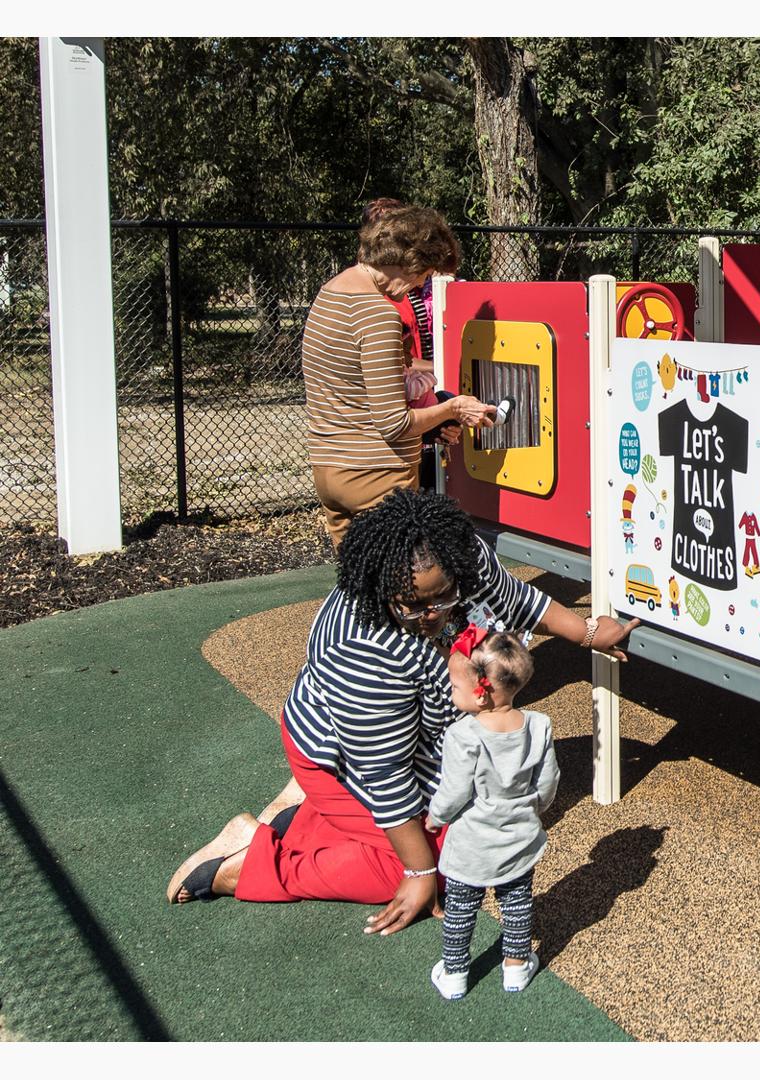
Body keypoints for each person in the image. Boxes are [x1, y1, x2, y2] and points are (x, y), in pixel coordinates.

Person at [164, 489, 641, 940]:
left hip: (416, 743)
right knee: (443, 869)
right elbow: (384, 773)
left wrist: (586, 633)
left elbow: (513, 599)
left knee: (465, 825)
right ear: (383, 587)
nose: (432, 613)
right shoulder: (365, 649)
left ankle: (303, 817)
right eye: (412, 605)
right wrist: (417, 872)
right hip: (344, 756)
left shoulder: (458, 554)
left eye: (443, 597)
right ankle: (249, 866)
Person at [304, 205, 493, 547]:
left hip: (328, 468)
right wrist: (454, 409)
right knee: (408, 589)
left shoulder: (330, 292)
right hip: (376, 476)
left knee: (360, 584)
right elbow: (393, 423)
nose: (420, 285)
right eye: (425, 275)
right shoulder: (378, 314)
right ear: (412, 262)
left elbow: (355, 389)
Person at [427, 625, 556, 1000]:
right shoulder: (538, 726)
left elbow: (453, 791)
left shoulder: (464, 735)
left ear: (482, 693)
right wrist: (536, 808)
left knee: (462, 905)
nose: (451, 693)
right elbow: (547, 782)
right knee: (516, 900)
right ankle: (515, 967)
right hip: (518, 835)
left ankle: (454, 972)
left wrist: (437, 817)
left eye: (454, 687)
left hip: (472, 840)